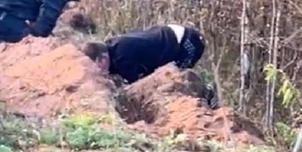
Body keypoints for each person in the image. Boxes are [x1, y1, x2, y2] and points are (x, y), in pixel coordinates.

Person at [81, 24, 218, 108]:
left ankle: (207, 95)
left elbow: (135, 88)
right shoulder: (113, 48)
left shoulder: (122, 57)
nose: (98, 72)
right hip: (172, 36)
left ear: (103, 59)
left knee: (177, 79)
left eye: (97, 67)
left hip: (187, 42)